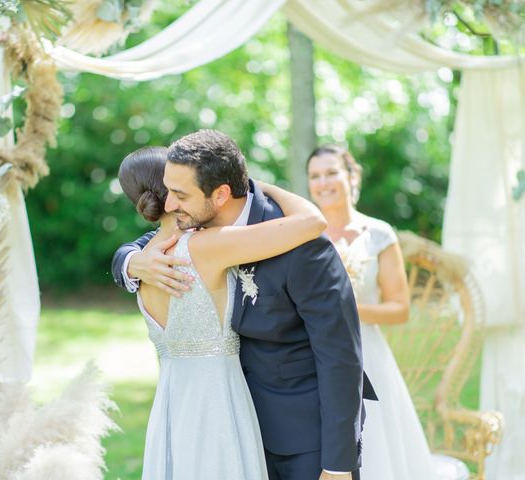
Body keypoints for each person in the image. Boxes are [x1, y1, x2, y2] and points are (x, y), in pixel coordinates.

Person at [113, 130, 376, 480]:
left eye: (178, 194)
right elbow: (149, 241)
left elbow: (340, 357)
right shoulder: (189, 233)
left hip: (303, 442)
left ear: (220, 194)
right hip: (231, 429)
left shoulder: (299, 242)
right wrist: (128, 261)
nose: (170, 204)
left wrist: (338, 465)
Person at [306, 144, 437, 480]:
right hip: (312, 355)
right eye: (315, 176)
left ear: (352, 176)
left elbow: (400, 308)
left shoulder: (378, 234)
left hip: (368, 355)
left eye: (332, 172)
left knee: (377, 445)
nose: (324, 182)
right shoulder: (302, 236)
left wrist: (348, 309)